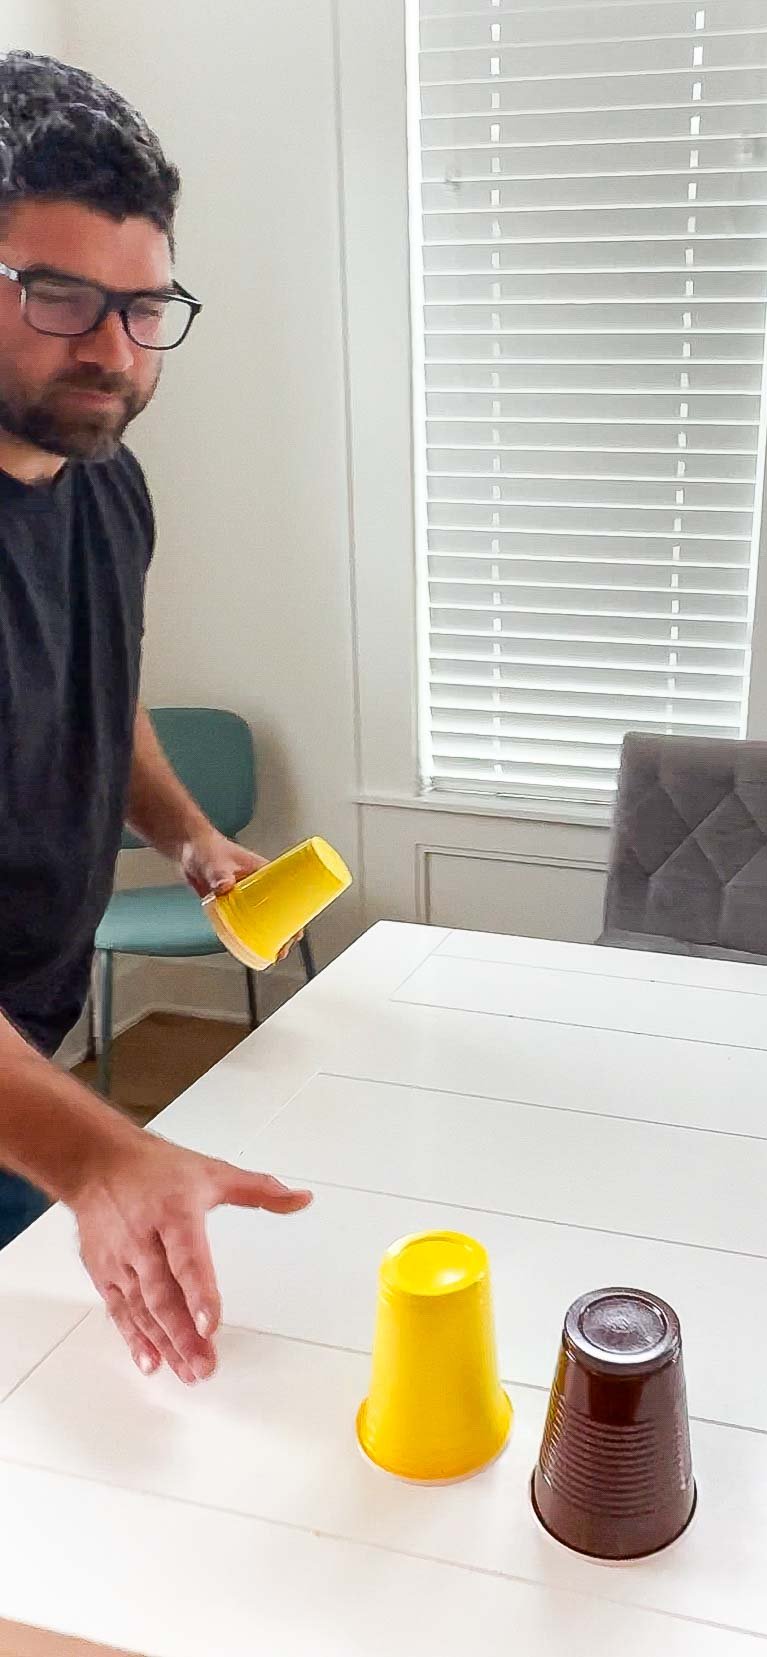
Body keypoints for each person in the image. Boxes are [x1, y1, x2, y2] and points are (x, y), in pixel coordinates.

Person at [0, 52, 313, 1386]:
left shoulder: (105, 486)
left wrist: (190, 840)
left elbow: (98, 697)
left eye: (142, 304)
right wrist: (102, 1154)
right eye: (58, 294)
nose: (112, 350)